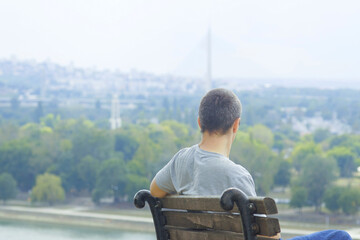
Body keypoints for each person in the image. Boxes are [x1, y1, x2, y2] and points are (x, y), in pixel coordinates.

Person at [150, 88, 352, 240]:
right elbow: (269, 237)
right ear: (236, 124)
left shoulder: (180, 160)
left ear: (200, 122)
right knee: (340, 236)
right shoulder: (236, 176)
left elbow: (155, 191)